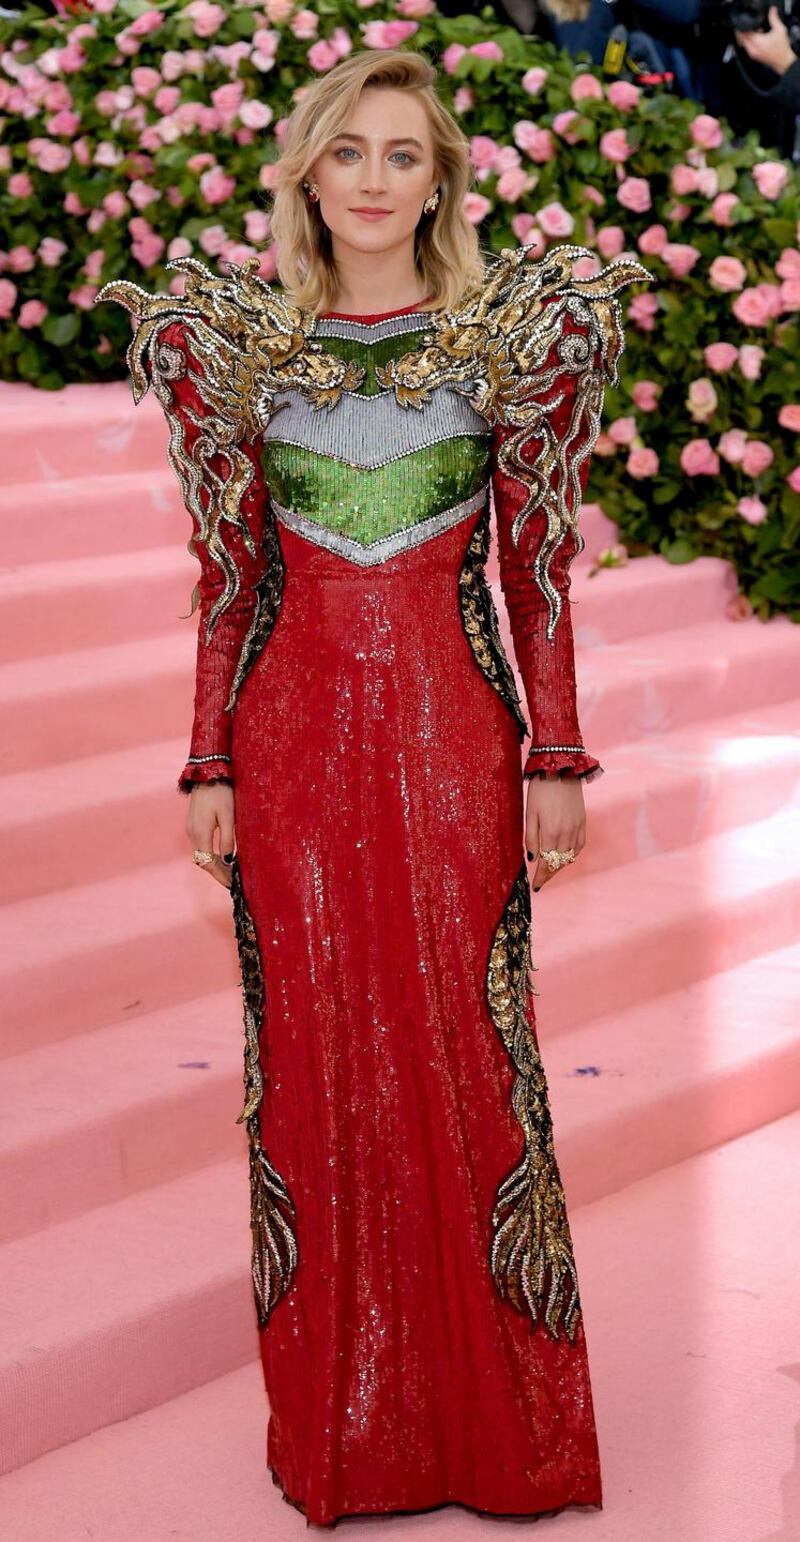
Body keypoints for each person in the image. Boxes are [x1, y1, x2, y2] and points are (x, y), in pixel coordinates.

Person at [96, 46, 651, 1529]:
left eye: (403, 155)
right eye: (349, 153)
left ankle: (502, 1437)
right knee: (314, 1071)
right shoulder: (244, 354)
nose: (373, 182)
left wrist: (556, 755)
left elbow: (537, 582)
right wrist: (208, 757)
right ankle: (350, 1437)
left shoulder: (502, 347)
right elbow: (231, 583)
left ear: (441, 181)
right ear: (306, 174)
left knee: (476, 1059)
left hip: (457, 743)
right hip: (290, 752)